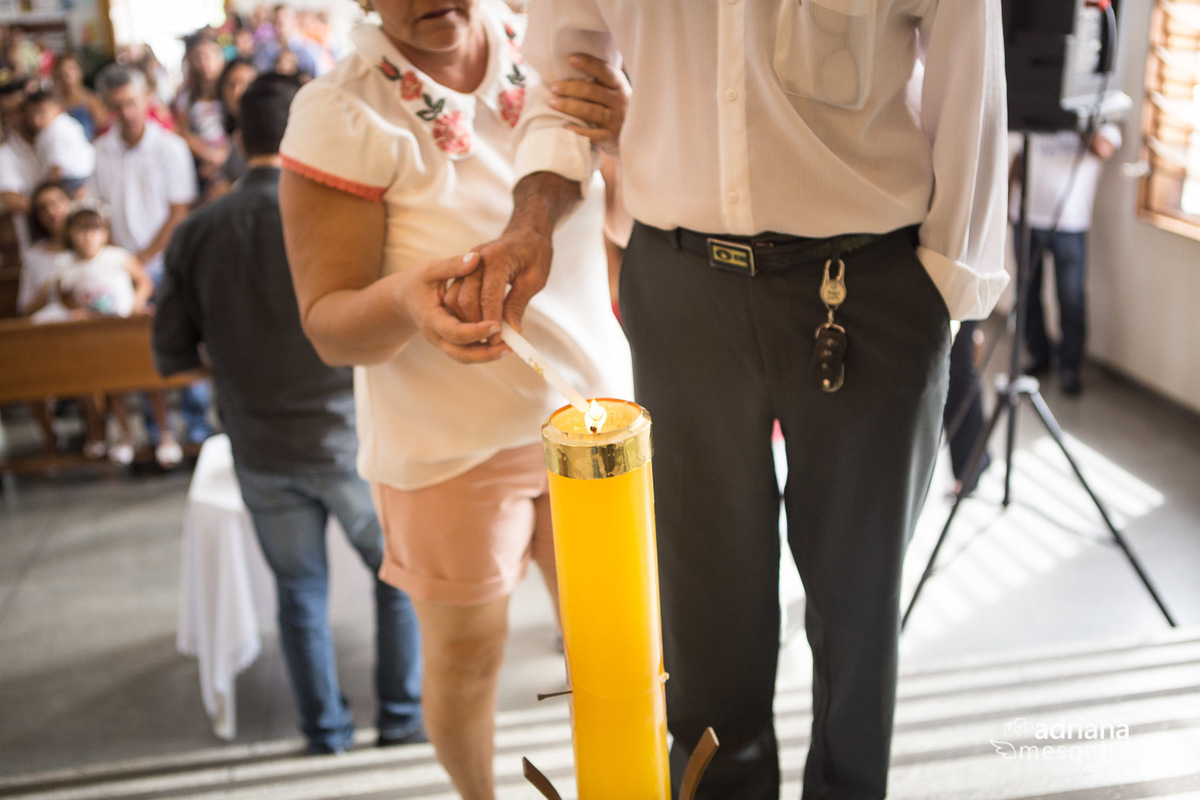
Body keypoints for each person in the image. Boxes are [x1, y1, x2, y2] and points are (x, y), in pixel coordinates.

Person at [460, 3, 1010, 798]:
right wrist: (532, 219)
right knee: (703, 603)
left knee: (858, 604)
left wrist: (942, 299)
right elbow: (565, 75)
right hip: (681, 285)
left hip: (873, 284)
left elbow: (972, 89)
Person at [276, 0, 632, 795]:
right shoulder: (340, 110)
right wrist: (406, 300)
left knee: (617, 644)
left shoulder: (557, 48)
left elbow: (637, 225)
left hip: (591, 411)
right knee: (469, 654)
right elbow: (329, 328)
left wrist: (629, 135)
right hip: (449, 439)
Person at [154, 73, 424, 756]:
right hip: (347, 432)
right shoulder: (342, 213)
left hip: (259, 440)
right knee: (397, 576)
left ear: (239, 139)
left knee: (300, 593)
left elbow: (172, 351)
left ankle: (325, 732)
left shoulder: (196, 231)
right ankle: (399, 717)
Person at [92, 63, 213, 445]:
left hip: (167, 263)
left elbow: (179, 211)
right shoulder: (99, 152)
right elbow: (100, 213)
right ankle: (159, 433)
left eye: (131, 102)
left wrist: (142, 259)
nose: (126, 112)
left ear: (146, 99)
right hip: (122, 268)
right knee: (141, 353)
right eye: (117, 105)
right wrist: (122, 262)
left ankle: (197, 429)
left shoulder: (170, 148)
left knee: (185, 342)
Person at [56, 205, 181, 467]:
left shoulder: (117, 257)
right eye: (81, 230)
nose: (88, 236)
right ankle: (125, 438)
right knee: (116, 388)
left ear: (104, 232)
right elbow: (64, 296)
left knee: (150, 383)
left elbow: (144, 280)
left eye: (94, 229)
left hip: (127, 328)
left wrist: (136, 305)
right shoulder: (66, 265)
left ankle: (166, 437)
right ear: (70, 233)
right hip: (99, 336)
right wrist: (77, 312)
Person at [1014, 124, 1122, 397]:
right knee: (1027, 293)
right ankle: (1039, 354)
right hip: (1027, 219)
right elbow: (1018, 157)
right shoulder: (1039, 106)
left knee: (1071, 297)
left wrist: (1075, 119)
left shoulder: (1098, 113)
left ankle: (1069, 367)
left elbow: (1102, 149)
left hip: (1070, 224)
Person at [174, 35, 230, 188]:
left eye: (210, 56)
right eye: (200, 57)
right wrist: (209, 156)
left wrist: (224, 157)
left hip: (230, 157)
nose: (205, 63)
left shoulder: (229, 88)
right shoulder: (186, 96)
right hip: (201, 161)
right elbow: (183, 131)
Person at [24, 89, 95, 193]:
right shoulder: (63, 124)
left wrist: (46, 188)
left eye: (42, 112)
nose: (36, 119)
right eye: (31, 114)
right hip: (81, 175)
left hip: (73, 179)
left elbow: (57, 167)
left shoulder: (56, 131)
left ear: (59, 108)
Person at [0, 77, 42, 251]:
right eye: (7, 113)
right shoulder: (5, 155)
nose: (14, 118)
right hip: (37, 247)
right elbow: (10, 199)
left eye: (19, 110)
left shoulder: (57, 135)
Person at [52, 53, 106, 141]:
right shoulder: (55, 104)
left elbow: (101, 131)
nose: (67, 76)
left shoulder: (92, 100)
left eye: (71, 69)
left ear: (80, 71)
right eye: (62, 72)